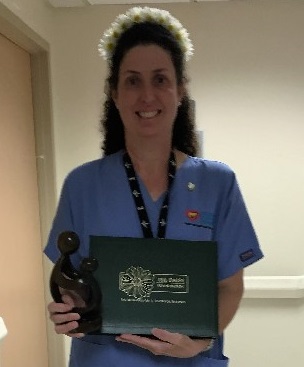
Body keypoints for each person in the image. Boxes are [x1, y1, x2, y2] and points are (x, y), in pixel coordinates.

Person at [45, 6, 264, 367]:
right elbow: (72, 283)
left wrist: (200, 343)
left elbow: (229, 286)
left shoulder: (217, 182)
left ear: (180, 90)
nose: (147, 95)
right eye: (132, 80)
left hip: (191, 360)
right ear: (114, 94)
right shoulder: (82, 185)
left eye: (160, 79)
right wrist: (68, 311)